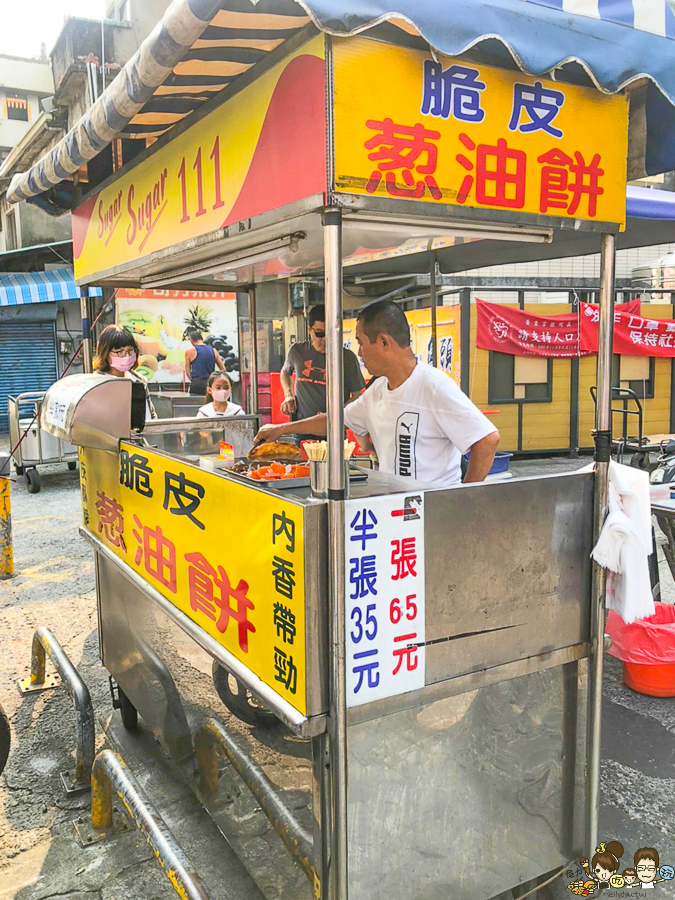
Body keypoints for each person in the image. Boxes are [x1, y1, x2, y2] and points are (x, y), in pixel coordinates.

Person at [256, 300, 499, 487]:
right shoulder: (378, 390)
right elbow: (335, 420)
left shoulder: (433, 385)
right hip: (393, 508)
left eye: (361, 342)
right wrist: (281, 429)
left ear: (384, 342)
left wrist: (464, 499)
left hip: (432, 513)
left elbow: (486, 439)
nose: (359, 352)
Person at [280, 305, 364, 431]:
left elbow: (358, 395)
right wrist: (288, 395)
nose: (325, 339)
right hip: (301, 428)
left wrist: (337, 415)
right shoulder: (297, 351)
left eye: (330, 334)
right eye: (320, 333)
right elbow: (285, 372)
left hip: (334, 432)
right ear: (309, 329)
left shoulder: (347, 358)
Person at [93, 324, 157, 421]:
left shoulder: (139, 381)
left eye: (130, 350)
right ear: (105, 353)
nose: (126, 355)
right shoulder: (96, 383)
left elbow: (151, 415)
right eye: (119, 351)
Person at [185, 330, 225, 397]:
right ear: (202, 339)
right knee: (210, 405)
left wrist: (193, 380)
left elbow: (187, 371)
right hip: (210, 383)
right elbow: (223, 369)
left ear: (191, 340)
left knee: (195, 405)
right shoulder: (213, 350)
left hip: (196, 383)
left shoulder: (189, 351)